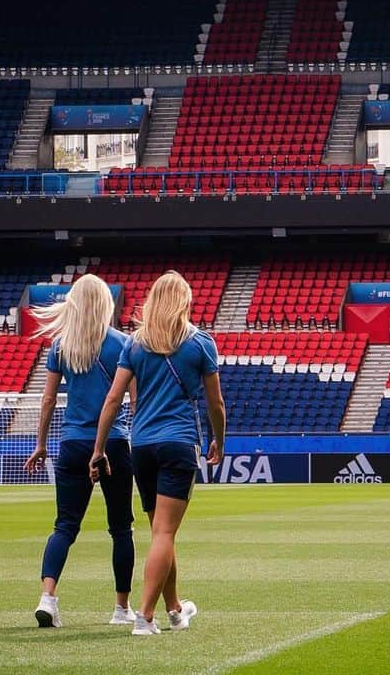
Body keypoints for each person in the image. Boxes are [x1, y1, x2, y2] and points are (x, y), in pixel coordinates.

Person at [91, 270, 225, 636]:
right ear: (184, 301)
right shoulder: (200, 343)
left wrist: (99, 448)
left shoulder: (134, 344)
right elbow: (216, 403)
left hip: (143, 445)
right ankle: (145, 617)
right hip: (179, 442)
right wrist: (219, 440)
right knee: (164, 533)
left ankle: (175, 610)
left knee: (160, 532)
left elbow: (113, 398)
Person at [24, 274, 135, 628]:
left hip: (71, 444)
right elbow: (133, 398)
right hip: (113, 444)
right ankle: (121, 609)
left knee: (64, 526)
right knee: (121, 529)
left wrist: (41, 444)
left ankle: (48, 596)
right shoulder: (122, 344)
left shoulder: (61, 346)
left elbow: (47, 400)